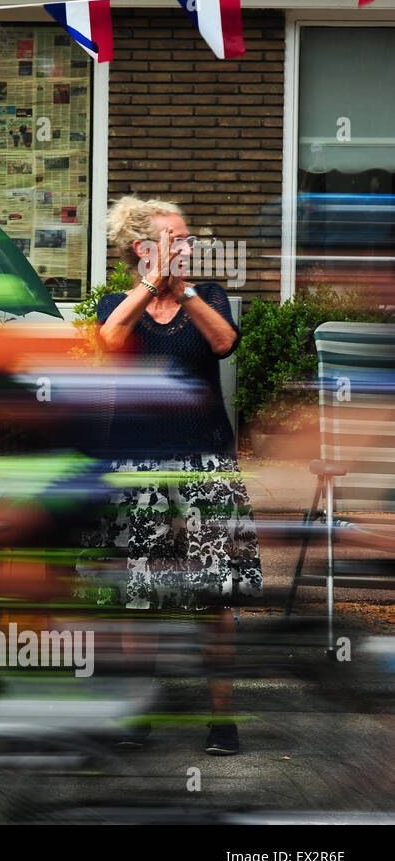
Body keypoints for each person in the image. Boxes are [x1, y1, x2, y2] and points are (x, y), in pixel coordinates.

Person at [83, 194, 263, 756]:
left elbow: (224, 344)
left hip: (203, 462)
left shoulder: (207, 295)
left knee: (213, 595)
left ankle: (222, 720)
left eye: (186, 238)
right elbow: (109, 343)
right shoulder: (117, 301)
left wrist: (179, 287)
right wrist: (148, 286)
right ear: (144, 247)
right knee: (140, 593)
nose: (188, 246)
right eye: (177, 238)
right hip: (135, 463)